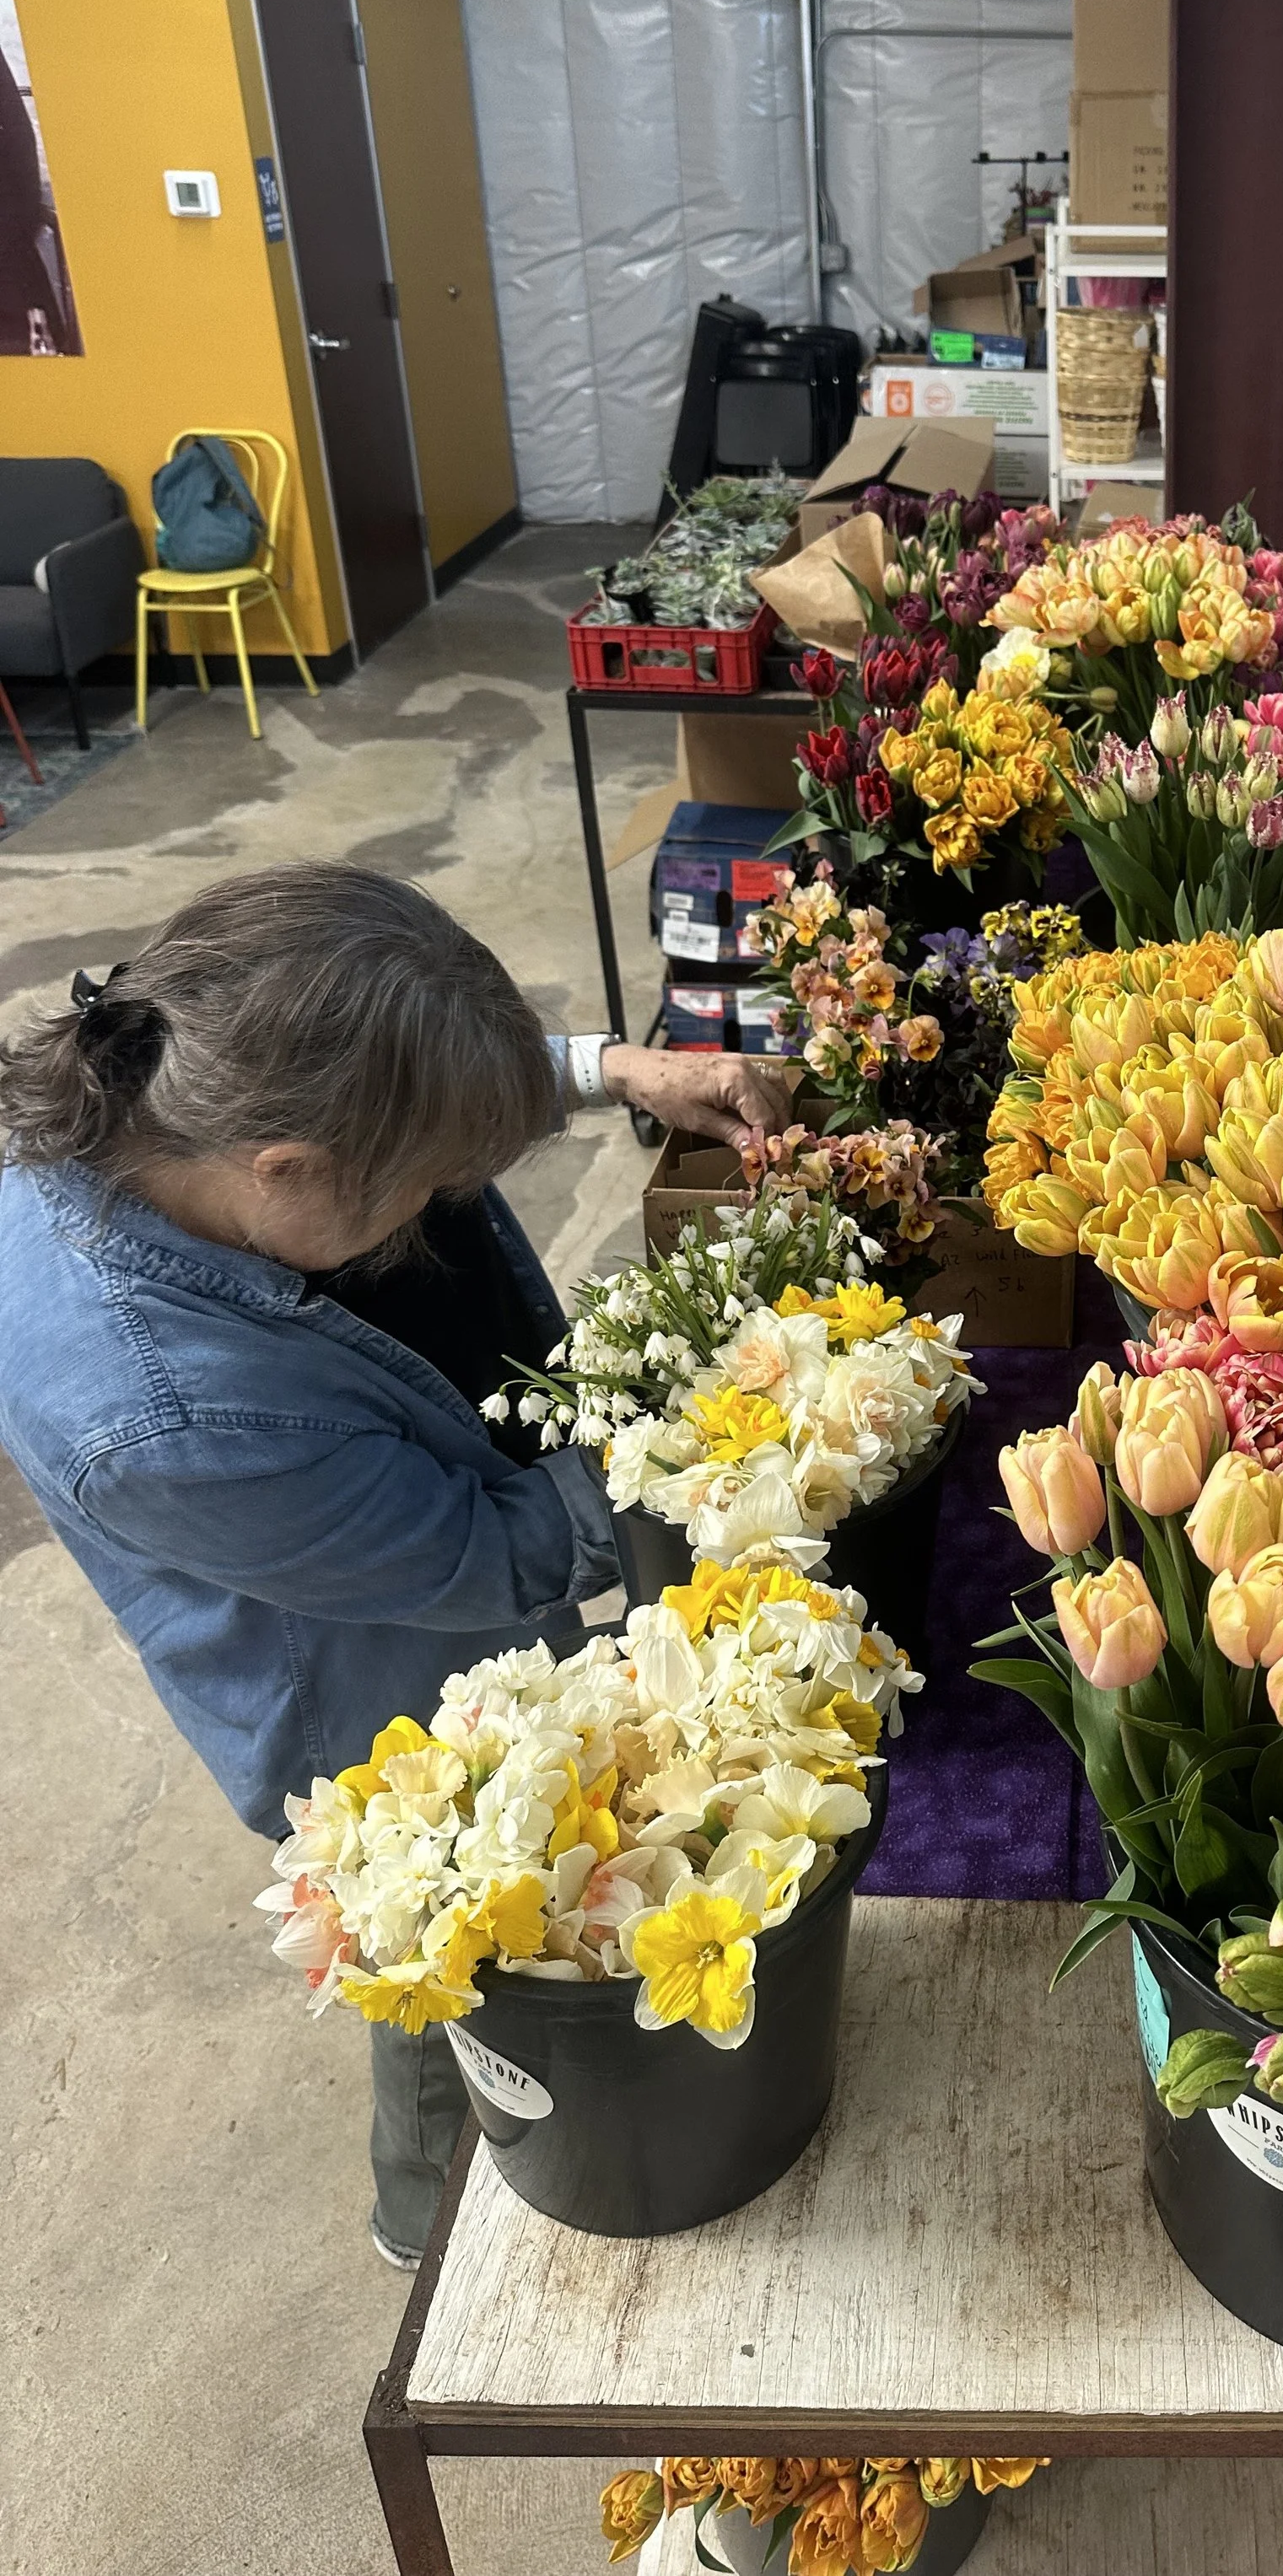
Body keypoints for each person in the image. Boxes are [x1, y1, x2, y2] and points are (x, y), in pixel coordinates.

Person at [0, 862, 792, 2261]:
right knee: (450, 1937)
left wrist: (614, 1071)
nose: (450, 1195)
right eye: (431, 1184)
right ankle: (429, 2218)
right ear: (291, 1174)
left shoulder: (173, 1073)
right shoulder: (159, 1413)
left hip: (390, 1515)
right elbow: (495, 1551)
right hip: (375, 1694)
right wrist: (724, 1437)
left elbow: (391, 1072)